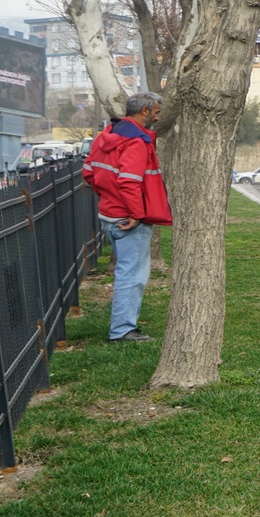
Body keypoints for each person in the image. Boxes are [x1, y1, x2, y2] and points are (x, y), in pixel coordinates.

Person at [82, 93, 171, 343]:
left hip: (109, 214)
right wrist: (135, 213)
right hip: (129, 219)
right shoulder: (137, 141)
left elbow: (89, 172)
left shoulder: (106, 136)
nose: (157, 116)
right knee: (132, 275)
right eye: (156, 112)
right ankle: (122, 330)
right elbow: (129, 181)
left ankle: (122, 327)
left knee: (126, 272)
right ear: (144, 110)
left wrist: (108, 197)